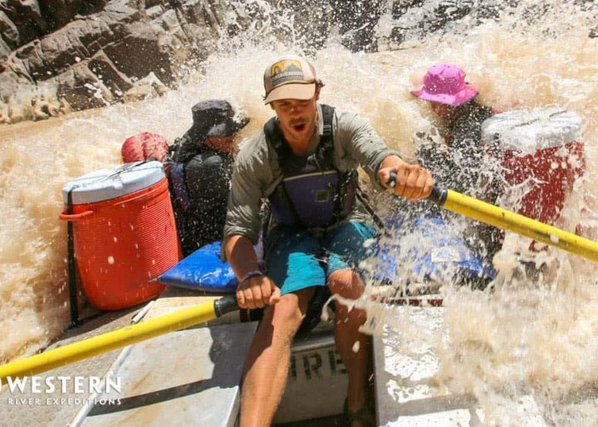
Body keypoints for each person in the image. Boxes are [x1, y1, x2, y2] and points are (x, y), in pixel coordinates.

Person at [223, 55, 433, 427]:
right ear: (270, 104)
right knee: (285, 306)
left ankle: (357, 403)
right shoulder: (254, 156)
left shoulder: (344, 128)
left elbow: (381, 158)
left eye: (302, 100)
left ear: (318, 92)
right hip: (290, 234)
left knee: (346, 284)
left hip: (346, 221)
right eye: (284, 103)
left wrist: (403, 174)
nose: (295, 111)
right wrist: (248, 277)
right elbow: (238, 232)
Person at [411, 64, 502, 271]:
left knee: (426, 150)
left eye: (437, 103)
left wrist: (431, 155)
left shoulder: (469, 132)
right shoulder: (476, 112)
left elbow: (463, 183)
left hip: (478, 210)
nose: (433, 108)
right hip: (483, 194)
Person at [168, 99, 249, 256]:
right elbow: (234, 208)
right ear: (206, 136)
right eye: (225, 133)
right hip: (206, 241)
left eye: (232, 130)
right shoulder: (209, 165)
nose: (232, 136)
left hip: (199, 228)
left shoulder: (188, 145)